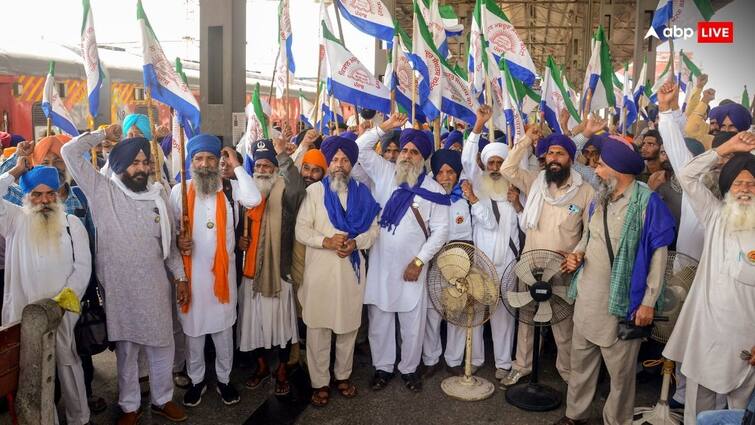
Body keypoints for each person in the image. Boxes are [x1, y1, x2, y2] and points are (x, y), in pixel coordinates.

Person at [61, 126, 189, 424]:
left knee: (161, 346)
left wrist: (181, 278)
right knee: (128, 352)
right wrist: (101, 133)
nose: (142, 168)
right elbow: (69, 152)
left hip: (156, 287)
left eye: (145, 163)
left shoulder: (159, 197)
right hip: (120, 290)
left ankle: (162, 399)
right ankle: (129, 406)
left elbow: (168, 248)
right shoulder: (102, 191)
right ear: (119, 165)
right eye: (135, 162)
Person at [557, 139, 676, 425]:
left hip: (623, 304)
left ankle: (617, 421)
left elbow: (658, 259)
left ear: (618, 170)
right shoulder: (600, 197)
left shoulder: (648, 203)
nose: (595, 170)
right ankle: (575, 416)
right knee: (581, 363)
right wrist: (576, 255)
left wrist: (648, 302)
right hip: (587, 298)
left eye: (600, 165)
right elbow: (589, 236)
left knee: (621, 376)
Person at [662, 131, 755, 425]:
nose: (744, 189)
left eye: (751, 183)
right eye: (738, 183)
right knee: (697, 415)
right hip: (704, 336)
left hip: (746, 346)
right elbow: (687, 176)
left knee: (739, 416)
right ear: (727, 188)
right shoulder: (715, 217)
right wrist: (724, 149)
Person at [356, 113, 450, 393]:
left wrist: (420, 261)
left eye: (414, 151)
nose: (407, 155)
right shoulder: (385, 172)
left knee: (412, 324)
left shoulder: (434, 190)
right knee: (380, 322)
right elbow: (360, 149)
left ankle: (409, 369)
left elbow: (441, 231)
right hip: (382, 263)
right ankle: (383, 368)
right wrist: (383, 128)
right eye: (405, 149)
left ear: (423, 158)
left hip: (413, 267)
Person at [500, 128, 595, 387]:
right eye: (551, 152)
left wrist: (577, 255)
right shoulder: (534, 181)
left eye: (560, 153)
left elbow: (590, 232)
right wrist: (527, 140)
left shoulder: (585, 192)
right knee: (527, 320)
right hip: (530, 266)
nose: (554, 158)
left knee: (563, 325)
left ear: (571, 160)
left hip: (563, 269)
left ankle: (567, 371)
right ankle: (522, 366)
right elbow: (508, 169)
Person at [170, 134, 260, 407]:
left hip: (223, 279)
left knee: (223, 333)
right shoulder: (179, 192)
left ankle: (223, 379)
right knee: (194, 334)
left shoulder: (230, 190)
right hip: (192, 278)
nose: (205, 164)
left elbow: (254, 199)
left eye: (211, 158)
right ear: (192, 162)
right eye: (199, 158)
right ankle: (197, 381)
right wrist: (178, 241)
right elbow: (170, 234)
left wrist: (236, 164)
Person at [0, 163, 92, 425]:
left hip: (61, 311)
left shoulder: (72, 224)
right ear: (25, 196)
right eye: (36, 195)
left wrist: (63, 303)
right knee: (32, 371)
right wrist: (16, 170)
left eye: (49, 193)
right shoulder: (14, 221)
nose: (44, 200)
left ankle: (80, 418)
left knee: (68, 364)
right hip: (23, 315)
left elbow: (82, 267)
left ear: (59, 193)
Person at [295, 135, 380, 407]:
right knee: (318, 329)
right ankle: (320, 382)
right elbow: (301, 230)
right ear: (328, 163)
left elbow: (374, 230)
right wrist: (326, 241)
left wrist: (356, 242)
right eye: (335, 160)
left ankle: (342, 376)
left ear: (351, 164)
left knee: (347, 328)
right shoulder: (314, 192)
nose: (340, 165)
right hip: (319, 273)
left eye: (345, 160)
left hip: (350, 272)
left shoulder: (364, 194)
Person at [237, 137, 306, 397]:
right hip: (251, 272)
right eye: (259, 165)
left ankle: (281, 371)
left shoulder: (285, 189)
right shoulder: (245, 192)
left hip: (279, 272)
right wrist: (239, 240)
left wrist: (283, 155)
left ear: (276, 168)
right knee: (254, 326)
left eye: (269, 165)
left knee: (282, 328)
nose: (263, 170)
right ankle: (262, 367)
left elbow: (299, 189)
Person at [459, 105, 522, 380]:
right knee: (475, 310)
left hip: (507, 261)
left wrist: (518, 204)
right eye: (491, 163)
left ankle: (503, 363)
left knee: (503, 316)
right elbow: (465, 161)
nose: (495, 168)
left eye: (500, 163)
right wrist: (477, 126)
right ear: (485, 165)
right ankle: (473, 359)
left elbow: (527, 223)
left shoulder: (516, 188)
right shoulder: (479, 185)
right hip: (480, 260)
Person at [425, 147, 483, 376]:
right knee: (431, 312)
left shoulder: (465, 198)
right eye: (441, 172)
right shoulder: (427, 195)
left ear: (458, 174)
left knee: (457, 310)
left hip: (461, 261)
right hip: (433, 261)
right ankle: (430, 359)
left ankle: (453, 359)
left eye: (451, 172)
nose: (446, 177)